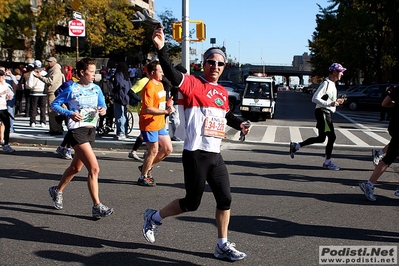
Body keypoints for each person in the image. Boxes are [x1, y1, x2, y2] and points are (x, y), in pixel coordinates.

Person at [141, 27, 250, 262]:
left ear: (224, 67)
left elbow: (227, 115)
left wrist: (240, 123)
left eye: (220, 64)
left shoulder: (221, 91)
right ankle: (154, 217)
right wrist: (161, 49)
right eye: (211, 62)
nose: (216, 67)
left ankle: (222, 244)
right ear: (204, 63)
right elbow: (170, 71)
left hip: (215, 155)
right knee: (192, 203)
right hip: (196, 154)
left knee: (225, 199)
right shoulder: (191, 84)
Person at [48, 57, 114, 218]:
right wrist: (70, 113)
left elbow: (103, 105)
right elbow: (54, 104)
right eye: (91, 72)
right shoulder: (72, 88)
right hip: (76, 131)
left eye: (94, 71)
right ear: (82, 73)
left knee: (76, 168)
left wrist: (103, 109)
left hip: (91, 131)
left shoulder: (96, 89)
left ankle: (57, 190)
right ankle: (96, 206)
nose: (94, 74)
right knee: (94, 168)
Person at [289, 63, 346, 170]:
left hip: (325, 112)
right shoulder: (326, 83)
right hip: (323, 112)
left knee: (321, 138)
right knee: (332, 137)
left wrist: (336, 101)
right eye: (341, 72)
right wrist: (330, 104)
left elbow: (328, 99)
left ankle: (296, 146)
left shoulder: (332, 84)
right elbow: (314, 98)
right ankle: (327, 162)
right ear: (334, 72)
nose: (342, 74)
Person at [137, 60, 174, 186]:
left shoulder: (160, 84)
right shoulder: (149, 87)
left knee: (168, 149)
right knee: (153, 151)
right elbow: (148, 108)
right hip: (149, 124)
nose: (163, 73)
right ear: (153, 73)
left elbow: (160, 102)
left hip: (160, 123)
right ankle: (143, 176)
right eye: (160, 71)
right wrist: (165, 111)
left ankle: (146, 166)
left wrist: (169, 104)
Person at [360, 85, 399, 201]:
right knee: (388, 159)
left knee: (389, 158)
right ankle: (369, 184)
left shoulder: (397, 88)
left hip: (395, 125)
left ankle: (369, 184)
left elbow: (385, 103)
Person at [35, 56, 65, 135]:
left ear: (54, 62)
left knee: (53, 112)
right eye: (48, 61)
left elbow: (51, 81)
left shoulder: (56, 70)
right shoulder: (52, 70)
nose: (48, 63)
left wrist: (40, 77)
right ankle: (53, 128)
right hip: (51, 92)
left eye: (50, 61)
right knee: (51, 112)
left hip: (53, 92)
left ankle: (56, 129)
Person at [112, 62, 132, 140]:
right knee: (124, 115)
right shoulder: (127, 76)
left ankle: (121, 132)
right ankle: (124, 131)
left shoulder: (118, 75)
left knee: (119, 115)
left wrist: (113, 90)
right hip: (126, 97)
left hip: (119, 97)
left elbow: (119, 85)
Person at [27, 60, 47, 128]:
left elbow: (30, 84)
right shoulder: (44, 72)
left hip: (34, 92)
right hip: (43, 92)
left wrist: (31, 87)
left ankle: (33, 121)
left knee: (33, 107)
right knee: (43, 108)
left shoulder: (32, 73)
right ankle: (43, 122)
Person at [169, 65, 186, 142]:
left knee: (174, 118)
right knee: (173, 118)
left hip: (175, 101)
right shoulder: (183, 80)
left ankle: (177, 135)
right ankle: (173, 134)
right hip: (178, 101)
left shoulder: (177, 80)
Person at [0, 68, 15, 153]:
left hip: (4, 108)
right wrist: (2, 93)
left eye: (2, 76)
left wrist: (10, 96)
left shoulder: (7, 85)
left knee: (7, 125)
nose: (1, 77)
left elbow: (11, 94)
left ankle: (6, 144)